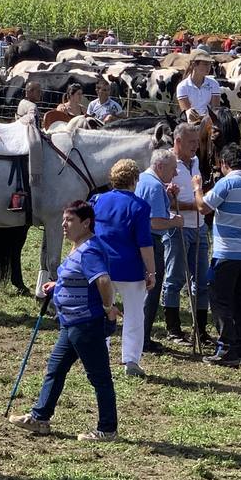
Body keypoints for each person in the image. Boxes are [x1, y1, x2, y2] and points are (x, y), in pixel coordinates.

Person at [10, 201, 118, 441]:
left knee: (99, 377)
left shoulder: (89, 250)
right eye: (63, 219)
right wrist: (58, 285)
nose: (64, 225)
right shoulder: (78, 247)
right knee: (55, 369)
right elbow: (79, 276)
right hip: (71, 323)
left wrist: (108, 308)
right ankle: (40, 418)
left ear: (86, 223)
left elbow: (103, 281)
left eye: (70, 220)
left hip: (86, 323)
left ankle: (107, 429)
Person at [190, 144, 241, 367]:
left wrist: (197, 188)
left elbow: (203, 207)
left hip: (227, 251)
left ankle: (226, 347)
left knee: (220, 299)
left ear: (224, 163)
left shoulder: (226, 183)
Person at [90, 159, 157, 377]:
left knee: (102, 311)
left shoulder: (97, 200)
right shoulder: (140, 206)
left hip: (102, 267)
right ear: (135, 180)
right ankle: (131, 360)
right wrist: (151, 271)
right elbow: (145, 244)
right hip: (130, 269)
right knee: (134, 315)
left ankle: (99, 355)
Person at [161, 123, 211, 345]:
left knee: (201, 280)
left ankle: (200, 329)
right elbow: (164, 201)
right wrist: (196, 206)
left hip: (199, 228)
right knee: (174, 278)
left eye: (197, 142)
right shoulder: (167, 162)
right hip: (177, 228)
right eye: (191, 142)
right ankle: (173, 329)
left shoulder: (196, 161)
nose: (195, 146)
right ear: (178, 142)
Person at [136, 150, 183, 352]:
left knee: (141, 292)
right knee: (152, 291)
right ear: (160, 166)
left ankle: (140, 337)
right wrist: (175, 222)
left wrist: (169, 196)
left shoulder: (143, 180)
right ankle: (143, 339)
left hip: (138, 242)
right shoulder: (155, 186)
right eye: (173, 169)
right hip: (152, 243)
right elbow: (155, 222)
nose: (175, 174)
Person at [175, 49, 221, 121]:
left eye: (210, 64)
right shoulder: (182, 86)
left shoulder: (214, 84)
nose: (209, 67)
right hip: (190, 124)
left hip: (209, 123)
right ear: (194, 65)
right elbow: (187, 113)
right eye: (205, 64)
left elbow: (215, 109)